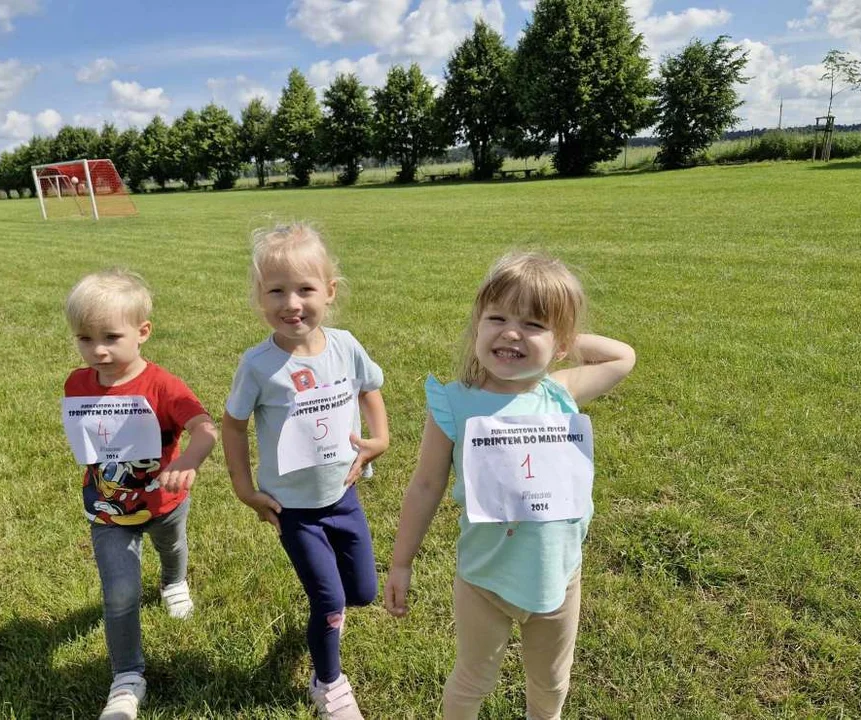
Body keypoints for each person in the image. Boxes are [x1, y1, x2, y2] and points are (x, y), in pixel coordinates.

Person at [384, 251, 636, 720]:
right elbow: (425, 486)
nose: (512, 333)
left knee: (552, 681)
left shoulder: (561, 390)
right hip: (483, 577)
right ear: (477, 325)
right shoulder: (454, 404)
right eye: (496, 318)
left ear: (561, 343)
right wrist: (401, 563)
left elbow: (624, 356)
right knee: (472, 677)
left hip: (557, 575)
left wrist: (562, 339)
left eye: (533, 325)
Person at [222, 223, 389, 720]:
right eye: (276, 291)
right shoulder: (258, 365)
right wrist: (244, 487)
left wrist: (380, 439)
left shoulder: (345, 345)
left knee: (362, 592)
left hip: (343, 495)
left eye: (305, 289)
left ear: (329, 292)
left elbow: (369, 390)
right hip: (293, 508)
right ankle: (329, 681)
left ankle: (328, 616)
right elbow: (232, 425)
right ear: (259, 298)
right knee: (331, 599)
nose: (291, 303)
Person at [61, 269, 217, 720]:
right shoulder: (78, 383)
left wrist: (187, 462)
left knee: (172, 547)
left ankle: (173, 581)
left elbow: (203, 427)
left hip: (165, 503)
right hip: (107, 510)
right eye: (85, 339)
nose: (98, 350)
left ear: (143, 332)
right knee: (120, 594)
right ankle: (127, 677)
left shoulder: (162, 385)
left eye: (111, 336)